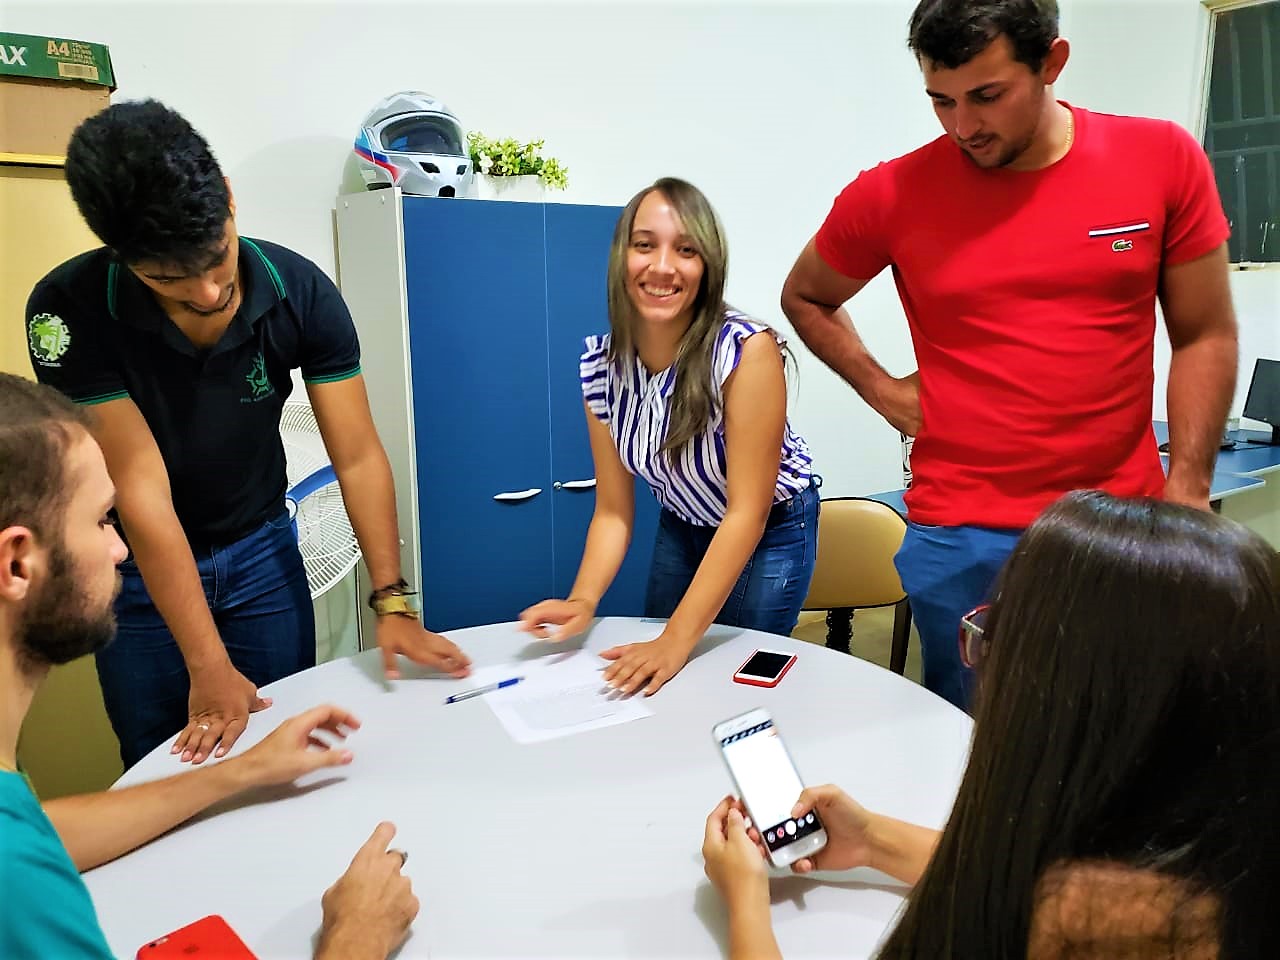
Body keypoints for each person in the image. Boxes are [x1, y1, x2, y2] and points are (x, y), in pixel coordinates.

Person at [780, 0, 1238, 709]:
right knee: (977, 741)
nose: (963, 125)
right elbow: (807, 295)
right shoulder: (893, 192)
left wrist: (1190, 493)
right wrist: (885, 392)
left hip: (1115, 522)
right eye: (941, 101)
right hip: (962, 532)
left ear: (1051, 63)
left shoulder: (1160, 158)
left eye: (987, 95)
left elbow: (1204, 333)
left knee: (1115, 733)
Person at [25, 100, 472, 769]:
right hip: (139, 575)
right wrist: (206, 664)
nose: (208, 292)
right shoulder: (68, 311)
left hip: (264, 553)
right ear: (120, 257)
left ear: (230, 199)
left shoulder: (300, 292)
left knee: (286, 745)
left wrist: (394, 601)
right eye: (169, 280)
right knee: (161, 763)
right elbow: (143, 492)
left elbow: (356, 455)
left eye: (217, 258)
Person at [702, 490, 1280, 959]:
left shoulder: (1098, 923)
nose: (979, 654)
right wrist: (872, 840)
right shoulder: (1205, 876)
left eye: (995, 633)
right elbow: (1029, 883)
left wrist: (745, 903)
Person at [0, 372, 419, 960]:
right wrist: (358, 935)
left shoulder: (15, 833)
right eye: (102, 520)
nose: (120, 549)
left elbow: (40, 833)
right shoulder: (18, 890)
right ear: (17, 563)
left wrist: (243, 771)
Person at [520, 178, 817, 696]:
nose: (661, 266)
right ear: (622, 257)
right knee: (660, 675)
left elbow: (746, 512)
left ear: (708, 266)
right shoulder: (602, 364)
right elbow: (613, 511)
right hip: (683, 520)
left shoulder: (747, 351)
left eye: (686, 250)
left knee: (730, 679)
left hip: (769, 525)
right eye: (644, 245)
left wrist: (676, 641)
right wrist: (582, 601)